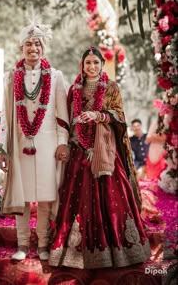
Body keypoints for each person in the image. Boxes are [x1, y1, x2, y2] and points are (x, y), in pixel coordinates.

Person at [48, 46, 151, 269]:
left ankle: (119, 252)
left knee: (112, 201)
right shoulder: (74, 88)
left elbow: (120, 117)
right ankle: (74, 252)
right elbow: (67, 118)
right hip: (79, 151)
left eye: (96, 62)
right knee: (77, 200)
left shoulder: (111, 88)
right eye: (88, 63)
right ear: (82, 66)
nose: (92, 67)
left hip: (105, 152)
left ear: (102, 65)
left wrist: (99, 115)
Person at [0, 23, 70, 261]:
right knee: (23, 196)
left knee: (46, 197)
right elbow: (6, 116)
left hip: (48, 146)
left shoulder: (56, 76)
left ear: (43, 47)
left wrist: (63, 142)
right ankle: (22, 244)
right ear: (21, 48)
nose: (33, 48)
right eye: (28, 44)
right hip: (20, 145)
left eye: (37, 43)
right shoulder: (11, 77)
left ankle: (43, 244)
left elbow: (62, 115)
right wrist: (3, 148)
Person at [145, 114, 166, 180]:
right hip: (153, 151)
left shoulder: (169, 125)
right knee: (152, 175)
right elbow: (147, 140)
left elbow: (167, 138)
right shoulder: (155, 124)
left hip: (164, 151)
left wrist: (155, 137)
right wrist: (158, 137)